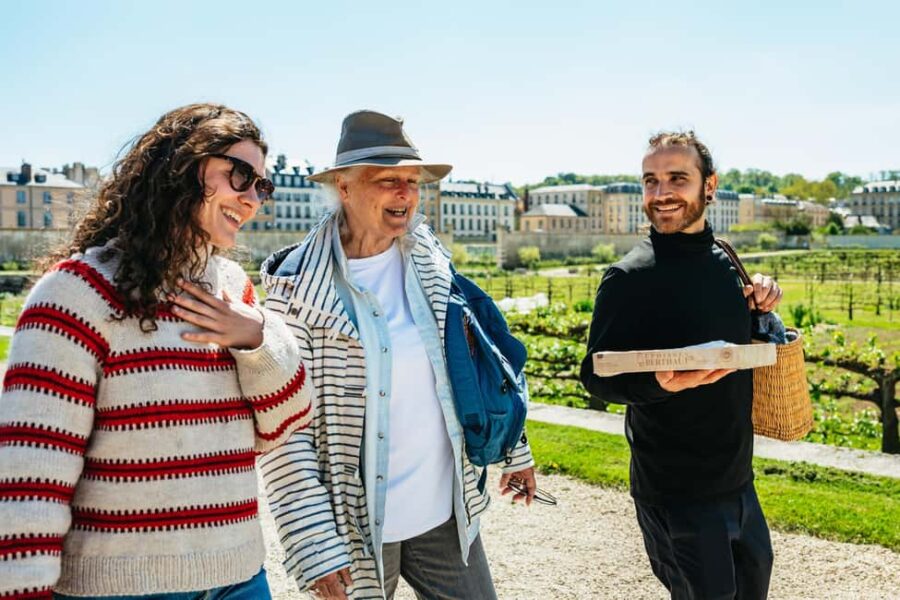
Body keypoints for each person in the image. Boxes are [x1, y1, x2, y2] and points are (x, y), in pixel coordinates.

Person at [0, 103, 314, 599]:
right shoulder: (77, 293)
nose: (254, 199)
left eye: (263, 186)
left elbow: (282, 423)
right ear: (182, 169)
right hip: (124, 590)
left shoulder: (233, 288)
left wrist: (257, 338)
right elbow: (29, 476)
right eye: (241, 176)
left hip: (240, 580)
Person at [259, 110, 536, 599]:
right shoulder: (294, 290)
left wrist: (514, 449)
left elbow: (476, 362)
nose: (406, 193)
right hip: (357, 528)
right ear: (343, 187)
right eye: (388, 181)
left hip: (444, 513)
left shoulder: (429, 257)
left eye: (412, 180)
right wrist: (314, 545)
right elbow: (287, 430)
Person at [579, 131, 782, 600]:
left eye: (677, 178)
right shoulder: (629, 278)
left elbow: (745, 340)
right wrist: (659, 383)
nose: (661, 193)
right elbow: (594, 377)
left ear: (709, 186)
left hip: (739, 481)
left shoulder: (728, 263)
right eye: (651, 181)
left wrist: (765, 305)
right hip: (675, 493)